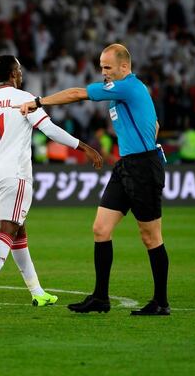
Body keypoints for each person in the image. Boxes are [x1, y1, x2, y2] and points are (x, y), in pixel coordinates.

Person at [18, 43, 170, 316]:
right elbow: (155, 124)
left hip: (143, 167)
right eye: (101, 67)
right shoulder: (124, 93)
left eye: (108, 67)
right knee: (101, 228)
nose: (104, 72)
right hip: (127, 165)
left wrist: (38, 102)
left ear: (125, 67)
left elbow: (77, 93)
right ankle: (101, 298)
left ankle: (161, 302)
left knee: (150, 236)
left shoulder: (128, 87)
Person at [0, 54, 103, 310]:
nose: (22, 73)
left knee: (19, 232)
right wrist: (83, 147)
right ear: (14, 73)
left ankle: (37, 292)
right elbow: (49, 130)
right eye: (20, 69)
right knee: (8, 229)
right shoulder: (24, 99)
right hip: (16, 174)